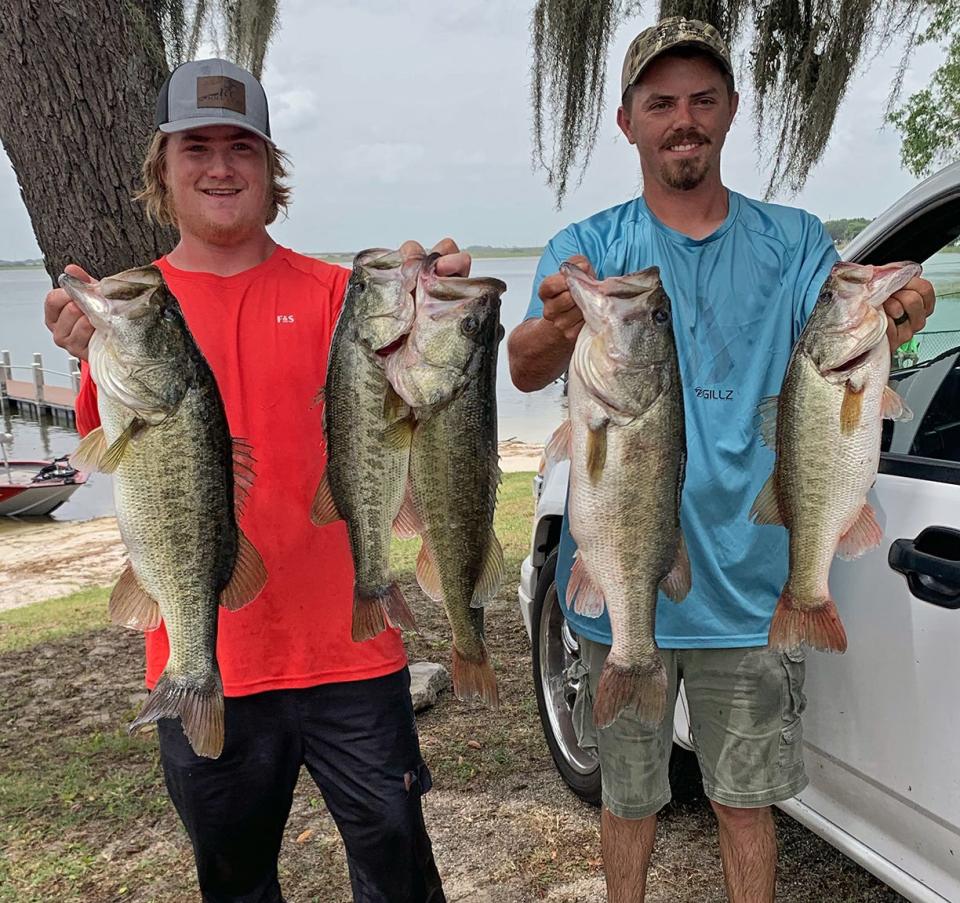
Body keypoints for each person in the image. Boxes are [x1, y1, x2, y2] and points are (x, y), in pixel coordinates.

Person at [507, 17, 935, 903]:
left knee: (745, 804)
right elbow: (523, 364)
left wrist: (902, 308)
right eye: (660, 102)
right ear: (627, 121)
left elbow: (842, 342)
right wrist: (555, 323)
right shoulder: (592, 248)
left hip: (755, 590)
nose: (683, 118)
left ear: (732, 111)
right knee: (628, 802)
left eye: (703, 98)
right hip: (625, 585)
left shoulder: (796, 242)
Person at [43, 58, 465, 903]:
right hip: (207, 661)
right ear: (161, 169)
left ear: (273, 174)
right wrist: (83, 345)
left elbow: (417, 400)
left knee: (400, 877)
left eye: (243, 148)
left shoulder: (345, 297)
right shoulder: (135, 311)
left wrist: (434, 307)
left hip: (352, 652)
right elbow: (111, 451)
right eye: (196, 146)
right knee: (234, 884)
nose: (221, 166)